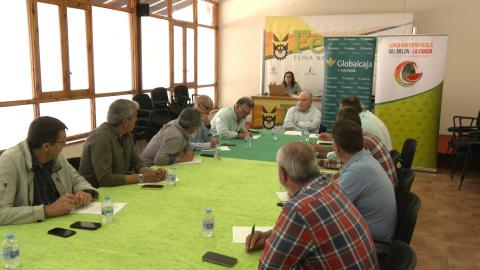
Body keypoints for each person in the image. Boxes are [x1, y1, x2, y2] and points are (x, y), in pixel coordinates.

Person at [245, 142, 378, 269]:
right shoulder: (331, 185)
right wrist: (270, 235)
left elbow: (268, 267)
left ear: (282, 174)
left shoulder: (299, 209)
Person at [0, 116, 98, 225]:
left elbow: (77, 180)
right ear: (46, 146)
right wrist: (47, 210)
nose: (64, 145)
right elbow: (2, 214)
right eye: (62, 142)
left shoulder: (55, 156)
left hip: (62, 223)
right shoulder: (10, 161)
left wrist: (85, 191)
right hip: (29, 231)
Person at [332, 119, 397, 240]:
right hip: (376, 231)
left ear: (336, 147)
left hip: (372, 240)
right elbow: (336, 185)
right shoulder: (363, 158)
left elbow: (329, 207)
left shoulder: (357, 171)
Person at [79, 99, 166, 187]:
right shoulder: (100, 138)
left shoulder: (126, 133)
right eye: (135, 117)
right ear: (125, 122)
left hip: (118, 186)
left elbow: (136, 161)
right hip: (96, 192)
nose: (136, 120)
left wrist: (152, 173)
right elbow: (105, 179)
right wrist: (142, 178)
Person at [316, 107, 397, 185]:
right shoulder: (365, 137)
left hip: (386, 189)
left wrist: (321, 162)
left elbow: (347, 169)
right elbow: (347, 164)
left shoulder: (362, 143)